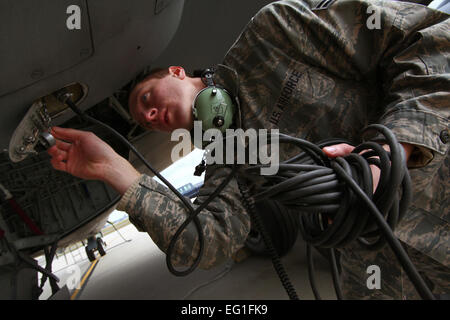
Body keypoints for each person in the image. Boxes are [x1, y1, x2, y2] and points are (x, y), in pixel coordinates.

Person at [48, 0, 449, 299]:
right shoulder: (226, 159)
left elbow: (425, 39)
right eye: (145, 118)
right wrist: (117, 171)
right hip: (391, 268)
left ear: (177, 72)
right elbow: (205, 243)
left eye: (149, 97)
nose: (151, 114)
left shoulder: (272, 35)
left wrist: (385, 153)